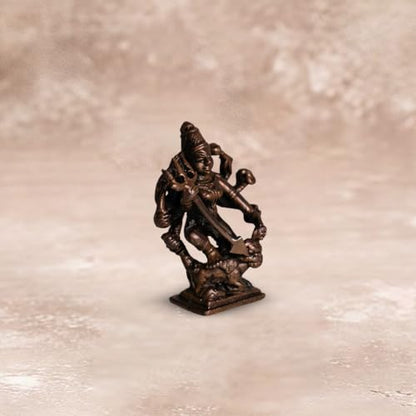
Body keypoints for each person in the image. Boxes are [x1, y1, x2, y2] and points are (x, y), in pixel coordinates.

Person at [154, 122, 266, 264]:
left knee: (233, 246)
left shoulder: (215, 179)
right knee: (194, 236)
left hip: (216, 222)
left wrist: (258, 223)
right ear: (190, 162)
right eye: (200, 159)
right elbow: (172, 216)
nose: (207, 163)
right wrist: (184, 200)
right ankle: (213, 258)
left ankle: (226, 266)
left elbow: (240, 202)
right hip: (194, 224)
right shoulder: (184, 184)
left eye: (209, 157)